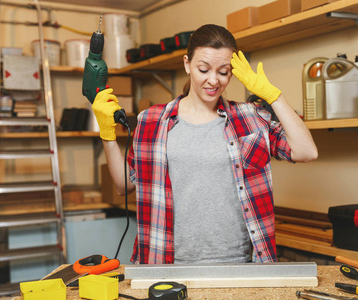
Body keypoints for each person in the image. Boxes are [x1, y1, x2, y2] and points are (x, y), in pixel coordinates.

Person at [92, 24, 318, 265]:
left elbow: (306, 151)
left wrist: (274, 96)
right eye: (204, 69)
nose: (213, 81)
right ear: (187, 64)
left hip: (240, 263)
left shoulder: (250, 117)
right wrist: (107, 135)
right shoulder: (152, 120)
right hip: (167, 262)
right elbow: (123, 184)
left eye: (223, 71)